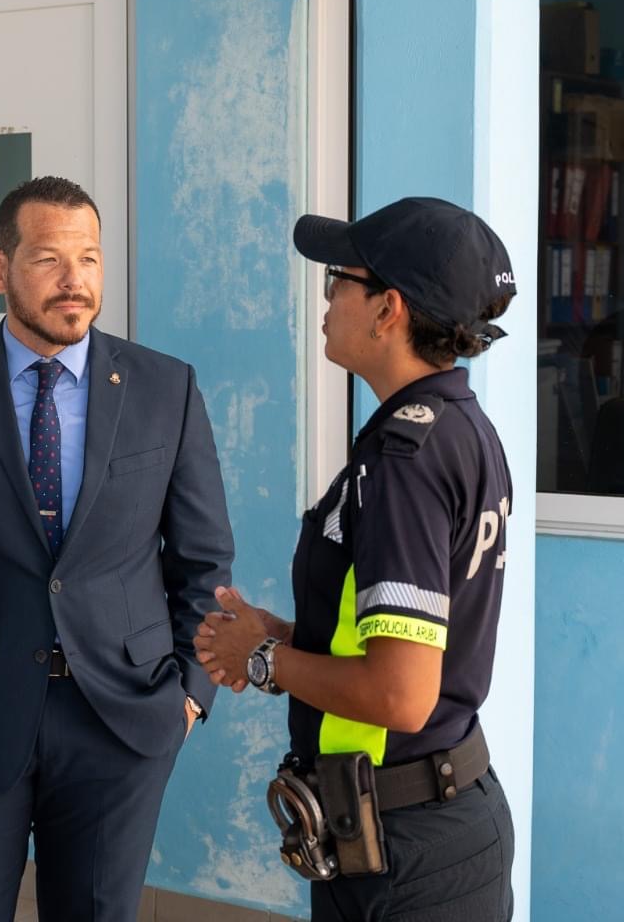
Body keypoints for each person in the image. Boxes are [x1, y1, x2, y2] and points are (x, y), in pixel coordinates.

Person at [0, 176, 234, 921]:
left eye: (90, 260)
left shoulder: (166, 388)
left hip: (121, 721)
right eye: (48, 260)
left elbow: (203, 561)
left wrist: (190, 695)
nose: (75, 282)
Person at [195, 196, 516, 921]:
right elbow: (400, 632)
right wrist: (275, 636)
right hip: (433, 822)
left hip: (407, 852)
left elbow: (401, 695)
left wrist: (264, 663)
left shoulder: (406, 461)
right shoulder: (461, 429)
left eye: (339, 279)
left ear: (387, 310)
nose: (328, 297)